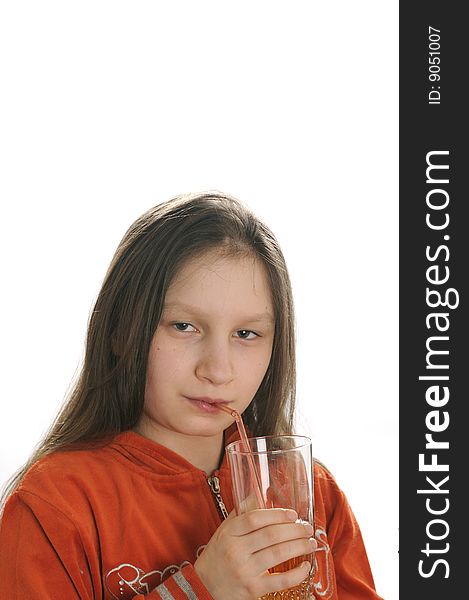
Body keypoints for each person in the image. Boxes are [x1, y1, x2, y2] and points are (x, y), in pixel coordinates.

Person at [0, 191, 382, 600]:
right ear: (120, 329)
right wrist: (203, 588)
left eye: (246, 334)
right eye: (184, 326)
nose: (217, 371)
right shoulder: (55, 504)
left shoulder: (313, 494)